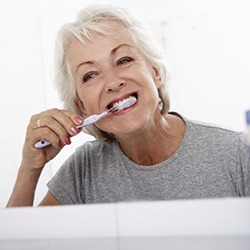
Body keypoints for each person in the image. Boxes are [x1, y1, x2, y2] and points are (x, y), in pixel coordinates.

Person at [7, 4, 250, 207]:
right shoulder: (83, 171)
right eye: (90, 75)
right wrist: (30, 168)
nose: (113, 82)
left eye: (123, 60)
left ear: (155, 73)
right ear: (81, 106)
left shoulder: (237, 154)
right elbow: (18, 243)